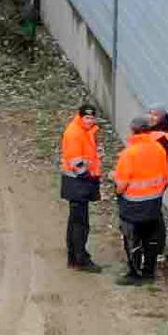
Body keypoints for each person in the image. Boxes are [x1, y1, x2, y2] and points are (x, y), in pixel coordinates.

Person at [110, 110, 168, 284]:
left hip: (132, 205)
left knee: (132, 240)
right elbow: (165, 176)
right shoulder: (159, 149)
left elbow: (121, 184)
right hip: (154, 202)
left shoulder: (129, 154)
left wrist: (116, 190)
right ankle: (149, 272)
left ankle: (134, 273)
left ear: (133, 130)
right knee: (151, 238)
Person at [56, 102, 105, 273]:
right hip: (79, 182)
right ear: (80, 116)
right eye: (87, 117)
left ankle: (74, 256)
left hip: (77, 182)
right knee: (80, 224)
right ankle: (80, 258)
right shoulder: (76, 133)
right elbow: (75, 159)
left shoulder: (83, 131)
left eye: (92, 118)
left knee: (75, 221)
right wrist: (87, 176)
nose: (90, 121)